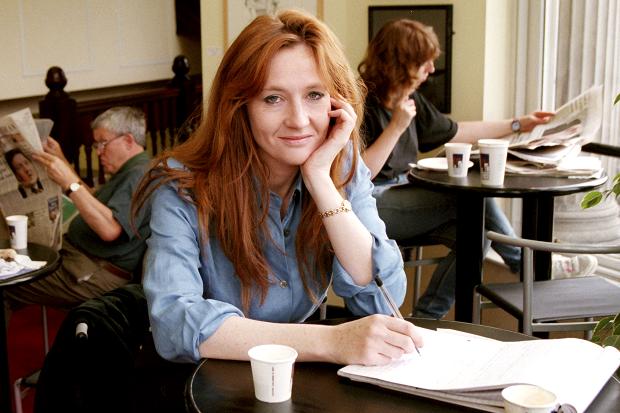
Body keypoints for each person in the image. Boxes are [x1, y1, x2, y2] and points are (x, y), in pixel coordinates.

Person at [133, 9, 423, 366]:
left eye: (314, 95)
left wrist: (321, 182)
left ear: (336, 102)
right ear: (240, 106)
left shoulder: (339, 163)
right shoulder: (182, 186)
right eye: (273, 98)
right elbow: (175, 323)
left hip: (295, 376)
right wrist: (330, 341)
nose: (299, 120)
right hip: (208, 378)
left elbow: (383, 299)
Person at [358, 19, 556, 319]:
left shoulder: (410, 99)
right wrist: (396, 127)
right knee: (469, 199)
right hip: (370, 202)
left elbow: (456, 131)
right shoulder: (362, 101)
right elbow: (358, 175)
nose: (431, 69)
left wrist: (518, 124)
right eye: (424, 62)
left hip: (402, 194)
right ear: (401, 63)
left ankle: (425, 318)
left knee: (475, 234)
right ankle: (523, 263)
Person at [5, 106, 151, 312]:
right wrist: (62, 161)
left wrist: (69, 183)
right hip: (79, 259)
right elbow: (95, 203)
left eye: (103, 143)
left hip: (92, 271)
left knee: (6, 285)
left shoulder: (139, 174)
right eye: (96, 144)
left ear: (128, 140)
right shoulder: (131, 170)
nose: (98, 151)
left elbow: (110, 229)